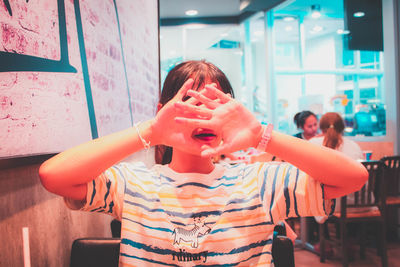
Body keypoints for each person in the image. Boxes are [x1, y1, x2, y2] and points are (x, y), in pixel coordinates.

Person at [39, 60, 367, 266]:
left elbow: (352, 178)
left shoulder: (259, 183)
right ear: (164, 110)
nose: (203, 117)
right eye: (190, 105)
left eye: (214, 105)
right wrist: (151, 131)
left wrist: (260, 135)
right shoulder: (134, 184)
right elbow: (54, 176)